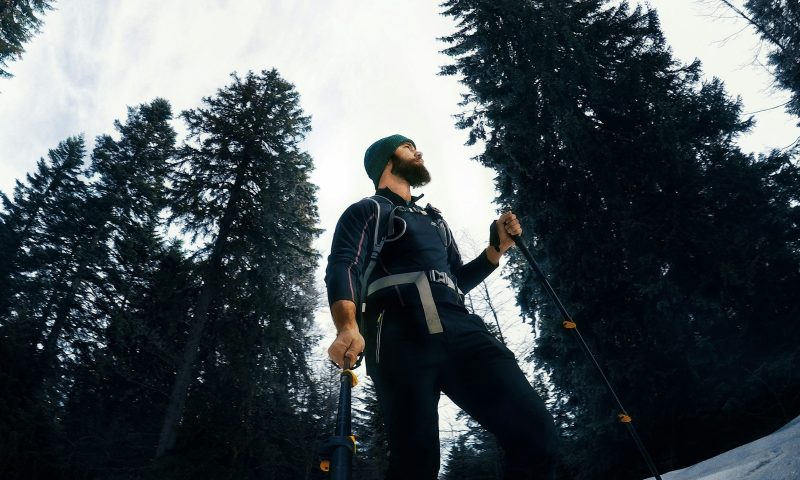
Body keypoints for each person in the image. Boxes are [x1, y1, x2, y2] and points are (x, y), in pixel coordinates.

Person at [325, 134, 559, 479]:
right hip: (398, 336)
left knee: (537, 434)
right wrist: (347, 325)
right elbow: (345, 264)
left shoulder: (435, 221)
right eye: (407, 147)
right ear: (384, 162)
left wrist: (495, 251)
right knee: (414, 466)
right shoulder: (370, 209)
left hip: (462, 328)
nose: (417, 151)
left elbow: (454, 281)